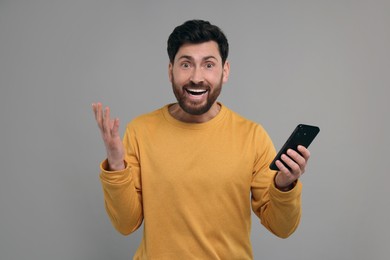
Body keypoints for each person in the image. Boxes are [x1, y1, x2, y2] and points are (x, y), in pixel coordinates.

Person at [92, 19, 311, 259]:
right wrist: (115, 165)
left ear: (224, 71)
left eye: (208, 65)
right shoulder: (140, 131)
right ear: (170, 71)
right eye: (186, 64)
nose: (197, 77)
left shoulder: (252, 136)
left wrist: (284, 185)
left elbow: (282, 227)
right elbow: (126, 224)